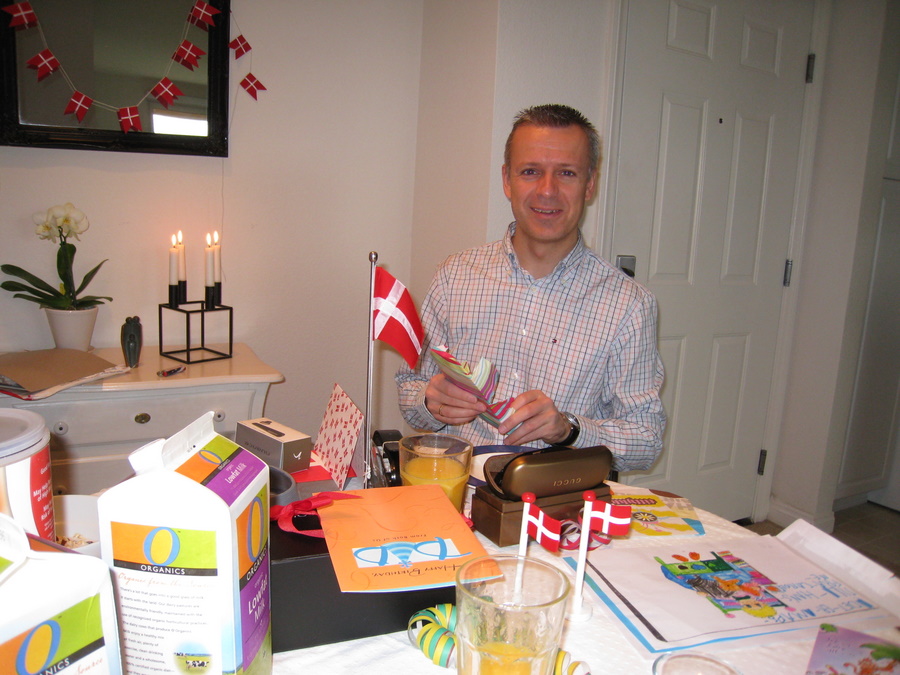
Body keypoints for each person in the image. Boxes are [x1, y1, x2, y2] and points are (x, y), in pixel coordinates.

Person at [395, 104, 665, 471]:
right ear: (507, 180)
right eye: (530, 171)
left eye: (566, 173)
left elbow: (646, 440)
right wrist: (429, 401)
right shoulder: (454, 276)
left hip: (555, 497)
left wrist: (569, 430)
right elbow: (410, 389)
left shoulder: (629, 305)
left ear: (590, 184)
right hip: (455, 490)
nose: (547, 190)